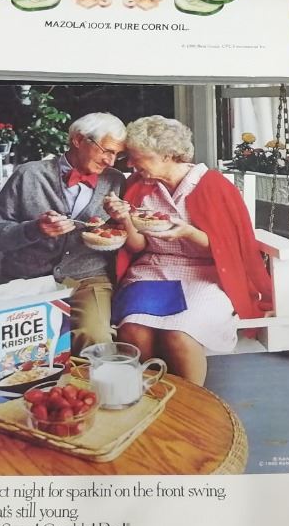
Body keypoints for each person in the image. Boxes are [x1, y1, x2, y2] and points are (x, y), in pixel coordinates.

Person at [112, 114, 273, 387]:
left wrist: (188, 232)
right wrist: (124, 219)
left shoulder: (213, 186)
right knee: (133, 331)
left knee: (179, 336)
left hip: (207, 274)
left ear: (167, 155)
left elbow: (231, 250)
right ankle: (150, 398)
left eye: (138, 157)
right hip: (154, 269)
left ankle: (191, 405)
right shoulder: (139, 186)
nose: (130, 164)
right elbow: (138, 246)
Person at [0, 111, 129, 353]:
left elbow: (121, 234)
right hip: (27, 280)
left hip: (87, 279)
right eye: (107, 151)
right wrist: (34, 229)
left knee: (97, 338)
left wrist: (118, 223)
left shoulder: (115, 180)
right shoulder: (29, 174)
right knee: (23, 351)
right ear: (78, 140)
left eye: (117, 155)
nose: (111, 162)